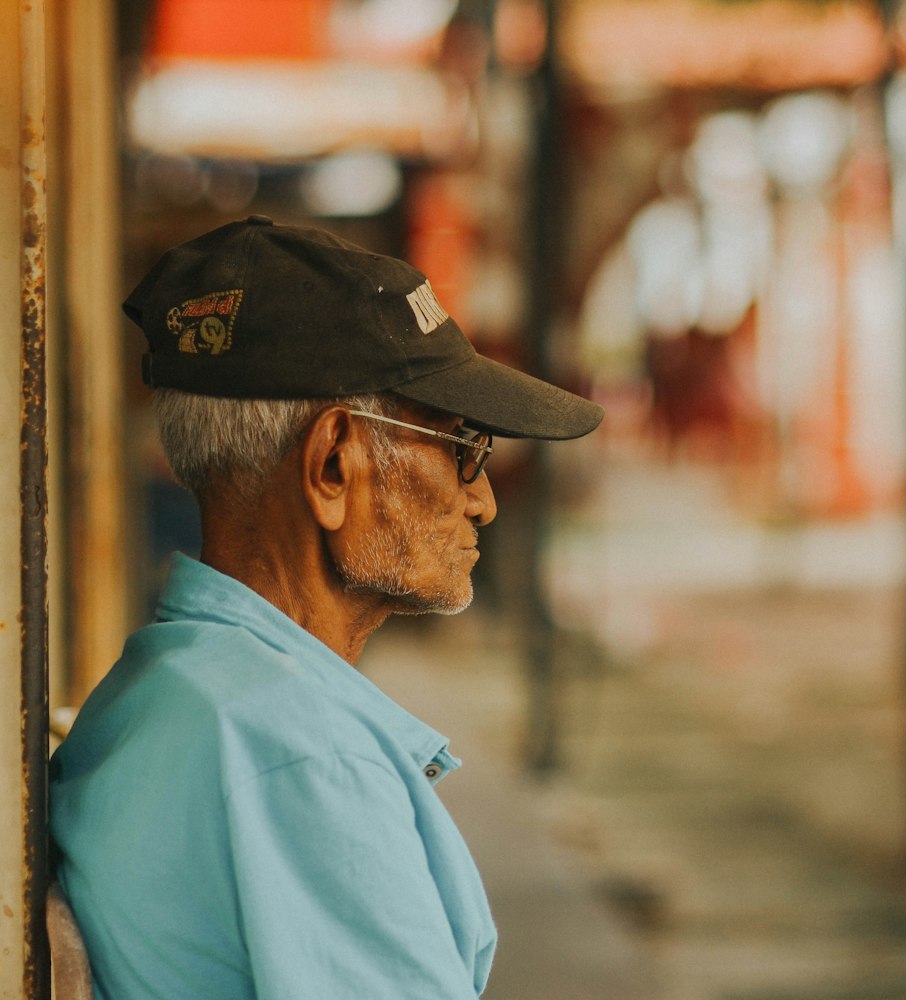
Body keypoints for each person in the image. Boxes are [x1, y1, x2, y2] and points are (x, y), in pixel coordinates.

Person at [49, 216, 603, 1000]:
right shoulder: (306, 761)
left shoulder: (167, 684)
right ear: (334, 463)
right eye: (461, 448)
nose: (479, 499)